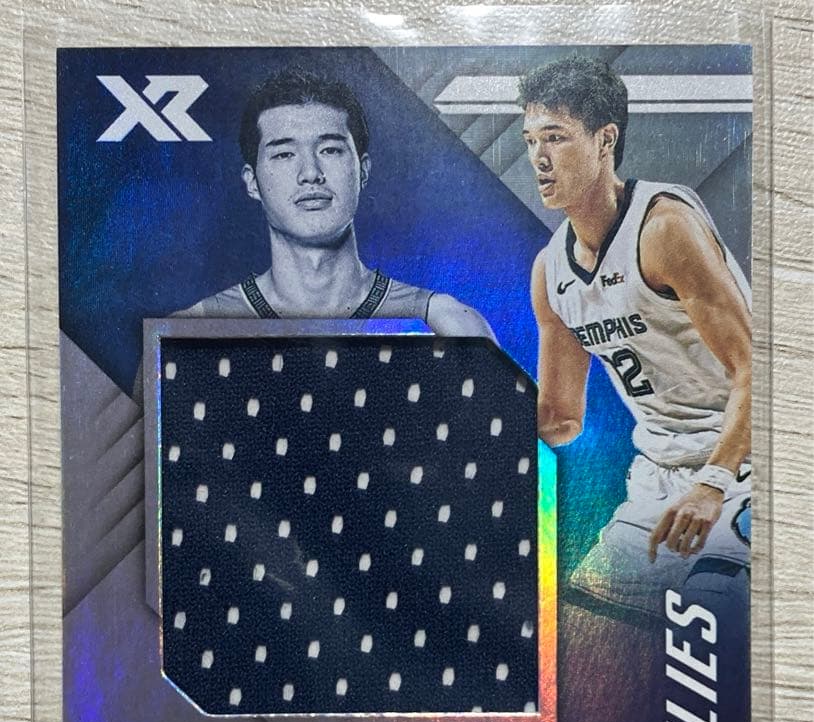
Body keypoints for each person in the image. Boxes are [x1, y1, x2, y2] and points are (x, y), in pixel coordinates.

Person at [520, 56, 751, 619]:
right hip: (657, 480)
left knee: (711, 630)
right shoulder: (550, 271)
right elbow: (561, 418)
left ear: (605, 140)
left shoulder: (663, 228)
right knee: (585, 639)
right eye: (530, 141)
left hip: (741, 467)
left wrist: (714, 483)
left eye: (556, 137)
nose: (539, 158)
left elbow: (758, 367)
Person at [179, 68, 494, 338]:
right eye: (284, 154)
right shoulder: (192, 328)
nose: (310, 173)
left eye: (330, 150)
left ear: (363, 170)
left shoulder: (444, 324)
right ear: (252, 182)